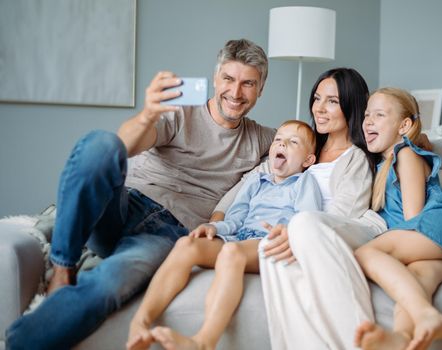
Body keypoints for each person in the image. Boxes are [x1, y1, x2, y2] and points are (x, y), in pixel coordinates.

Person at [5, 38, 276, 350]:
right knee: (102, 143)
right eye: (228, 79)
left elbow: (317, 149)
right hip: (122, 204)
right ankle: (62, 267)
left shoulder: (263, 139)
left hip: (167, 233)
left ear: (261, 89)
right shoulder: (181, 113)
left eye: (248, 83)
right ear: (216, 79)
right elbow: (122, 148)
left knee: (110, 283)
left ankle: (17, 345)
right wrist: (148, 114)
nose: (236, 92)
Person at [212, 67, 387, 349]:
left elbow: (346, 212)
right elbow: (253, 178)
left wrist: (297, 233)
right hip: (288, 228)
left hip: (328, 229)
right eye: (317, 98)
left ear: (351, 105)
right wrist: (218, 216)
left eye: (332, 101)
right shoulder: (301, 144)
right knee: (273, 253)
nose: (320, 108)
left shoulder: (355, 157)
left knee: (292, 234)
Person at [126, 119, 322, 350]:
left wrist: (288, 232)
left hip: (270, 242)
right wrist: (214, 228)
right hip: (240, 237)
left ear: (308, 160)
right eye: (278, 140)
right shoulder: (256, 181)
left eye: (293, 142)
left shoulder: (305, 182)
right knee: (187, 244)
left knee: (230, 253)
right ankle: (140, 323)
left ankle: (204, 341)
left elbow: (308, 220)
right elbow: (236, 218)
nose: (282, 145)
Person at [353, 87, 442, 350]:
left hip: (439, 224)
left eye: (379, 115)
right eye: (367, 114)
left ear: (404, 125)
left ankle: (427, 316)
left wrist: (390, 246)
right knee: (415, 281)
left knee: (365, 254)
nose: (368, 121)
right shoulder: (380, 165)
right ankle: (404, 337)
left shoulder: (406, 154)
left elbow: (413, 216)